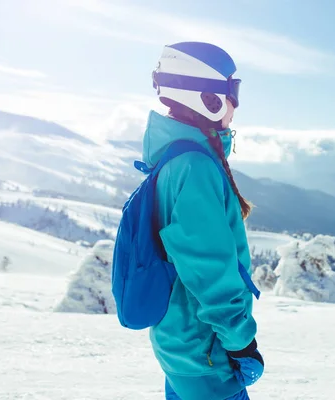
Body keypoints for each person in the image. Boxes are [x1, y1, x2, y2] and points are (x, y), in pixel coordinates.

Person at [142, 42, 264, 400]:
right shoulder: (194, 168)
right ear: (206, 97)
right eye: (232, 91)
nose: (236, 104)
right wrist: (241, 343)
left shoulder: (174, 158)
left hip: (183, 344)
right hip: (206, 353)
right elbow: (208, 269)